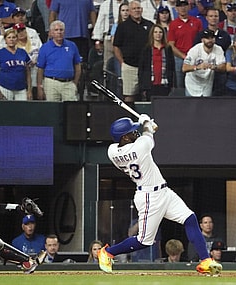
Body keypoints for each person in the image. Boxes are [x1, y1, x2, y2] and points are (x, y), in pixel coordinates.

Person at [97, 115, 222, 276]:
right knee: (144, 241)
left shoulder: (112, 151)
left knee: (190, 218)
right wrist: (147, 123)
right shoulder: (140, 147)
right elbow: (148, 135)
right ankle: (107, 253)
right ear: (125, 137)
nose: (136, 132)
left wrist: (147, 126)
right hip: (149, 196)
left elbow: (145, 135)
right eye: (132, 131)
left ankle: (205, 261)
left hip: (163, 192)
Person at [113, 0, 153, 102]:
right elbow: (116, 47)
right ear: (130, 11)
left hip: (146, 68)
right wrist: (122, 62)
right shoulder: (122, 26)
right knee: (129, 95)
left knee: (147, 95)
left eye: (138, 8)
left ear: (142, 10)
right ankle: (129, 117)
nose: (137, 11)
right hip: (130, 66)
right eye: (134, 9)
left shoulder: (149, 25)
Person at [36, 20, 81, 101]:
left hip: (69, 83)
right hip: (51, 83)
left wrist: (75, 83)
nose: (59, 32)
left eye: (61, 30)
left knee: (70, 109)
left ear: (64, 32)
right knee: (52, 110)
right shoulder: (45, 47)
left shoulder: (72, 45)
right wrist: (39, 87)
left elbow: (77, 65)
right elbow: (40, 69)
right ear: (51, 33)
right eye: (56, 30)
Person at [168, 0, 203, 90]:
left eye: (184, 5)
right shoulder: (173, 24)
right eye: (180, 6)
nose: (182, 8)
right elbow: (171, 44)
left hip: (195, 57)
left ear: (189, 7)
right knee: (180, 84)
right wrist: (184, 56)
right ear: (176, 9)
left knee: (196, 82)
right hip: (180, 57)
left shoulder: (197, 22)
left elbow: (201, 40)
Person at [182, 29, 226, 97]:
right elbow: (184, 68)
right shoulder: (195, 50)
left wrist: (215, 67)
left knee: (205, 106)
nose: (210, 40)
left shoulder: (218, 49)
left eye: (212, 38)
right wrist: (198, 67)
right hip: (192, 84)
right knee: (191, 106)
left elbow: (223, 67)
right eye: (207, 38)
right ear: (202, 40)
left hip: (207, 84)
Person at [0, 28, 32, 101]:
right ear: (5, 40)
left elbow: (28, 72)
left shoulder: (22, 52)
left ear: (17, 39)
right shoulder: (0, 53)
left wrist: (29, 90)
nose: (11, 39)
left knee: (23, 110)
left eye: (14, 37)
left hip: (21, 88)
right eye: (9, 37)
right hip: (5, 87)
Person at [138, 24, 175, 100]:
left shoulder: (168, 49)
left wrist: (172, 84)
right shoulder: (146, 49)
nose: (158, 34)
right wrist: (143, 87)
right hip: (150, 85)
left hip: (164, 84)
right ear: (152, 34)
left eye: (160, 32)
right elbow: (142, 69)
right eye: (155, 32)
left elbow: (172, 67)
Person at [92, 0, 126, 70]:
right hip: (109, 39)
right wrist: (98, 40)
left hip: (126, 41)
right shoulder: (105, 4)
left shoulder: (130, 2)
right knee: (108, 64)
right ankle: (107, 79)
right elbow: (100, 22)